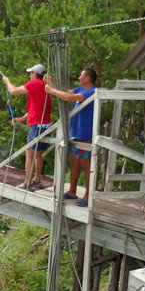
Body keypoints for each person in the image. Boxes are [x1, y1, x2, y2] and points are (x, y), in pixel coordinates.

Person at [45, 68, 97, 207]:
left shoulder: (92, 91)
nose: (79, 77)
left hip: (85, 133)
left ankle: (87, 195)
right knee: (74, 162)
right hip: (75, 133)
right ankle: (72, 191)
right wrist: (52, 83)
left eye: (81, 75)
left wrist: (51, 90)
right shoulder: (80, 88)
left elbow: (70, 98)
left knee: (86, 166)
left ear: (88, 77)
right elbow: (64, 94)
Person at [2, 63, 52, 190]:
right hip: (45, 124)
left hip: (37, 126)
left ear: (35, 74)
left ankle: (27, 182)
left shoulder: (35, 84)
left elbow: (13, 91)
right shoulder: (44, 86)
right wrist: (21, 119)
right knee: (38, 154)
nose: (29, 75)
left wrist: (7, 82)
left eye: (30, 73)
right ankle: (37, 179)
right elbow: (35, 108)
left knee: (29, 153)